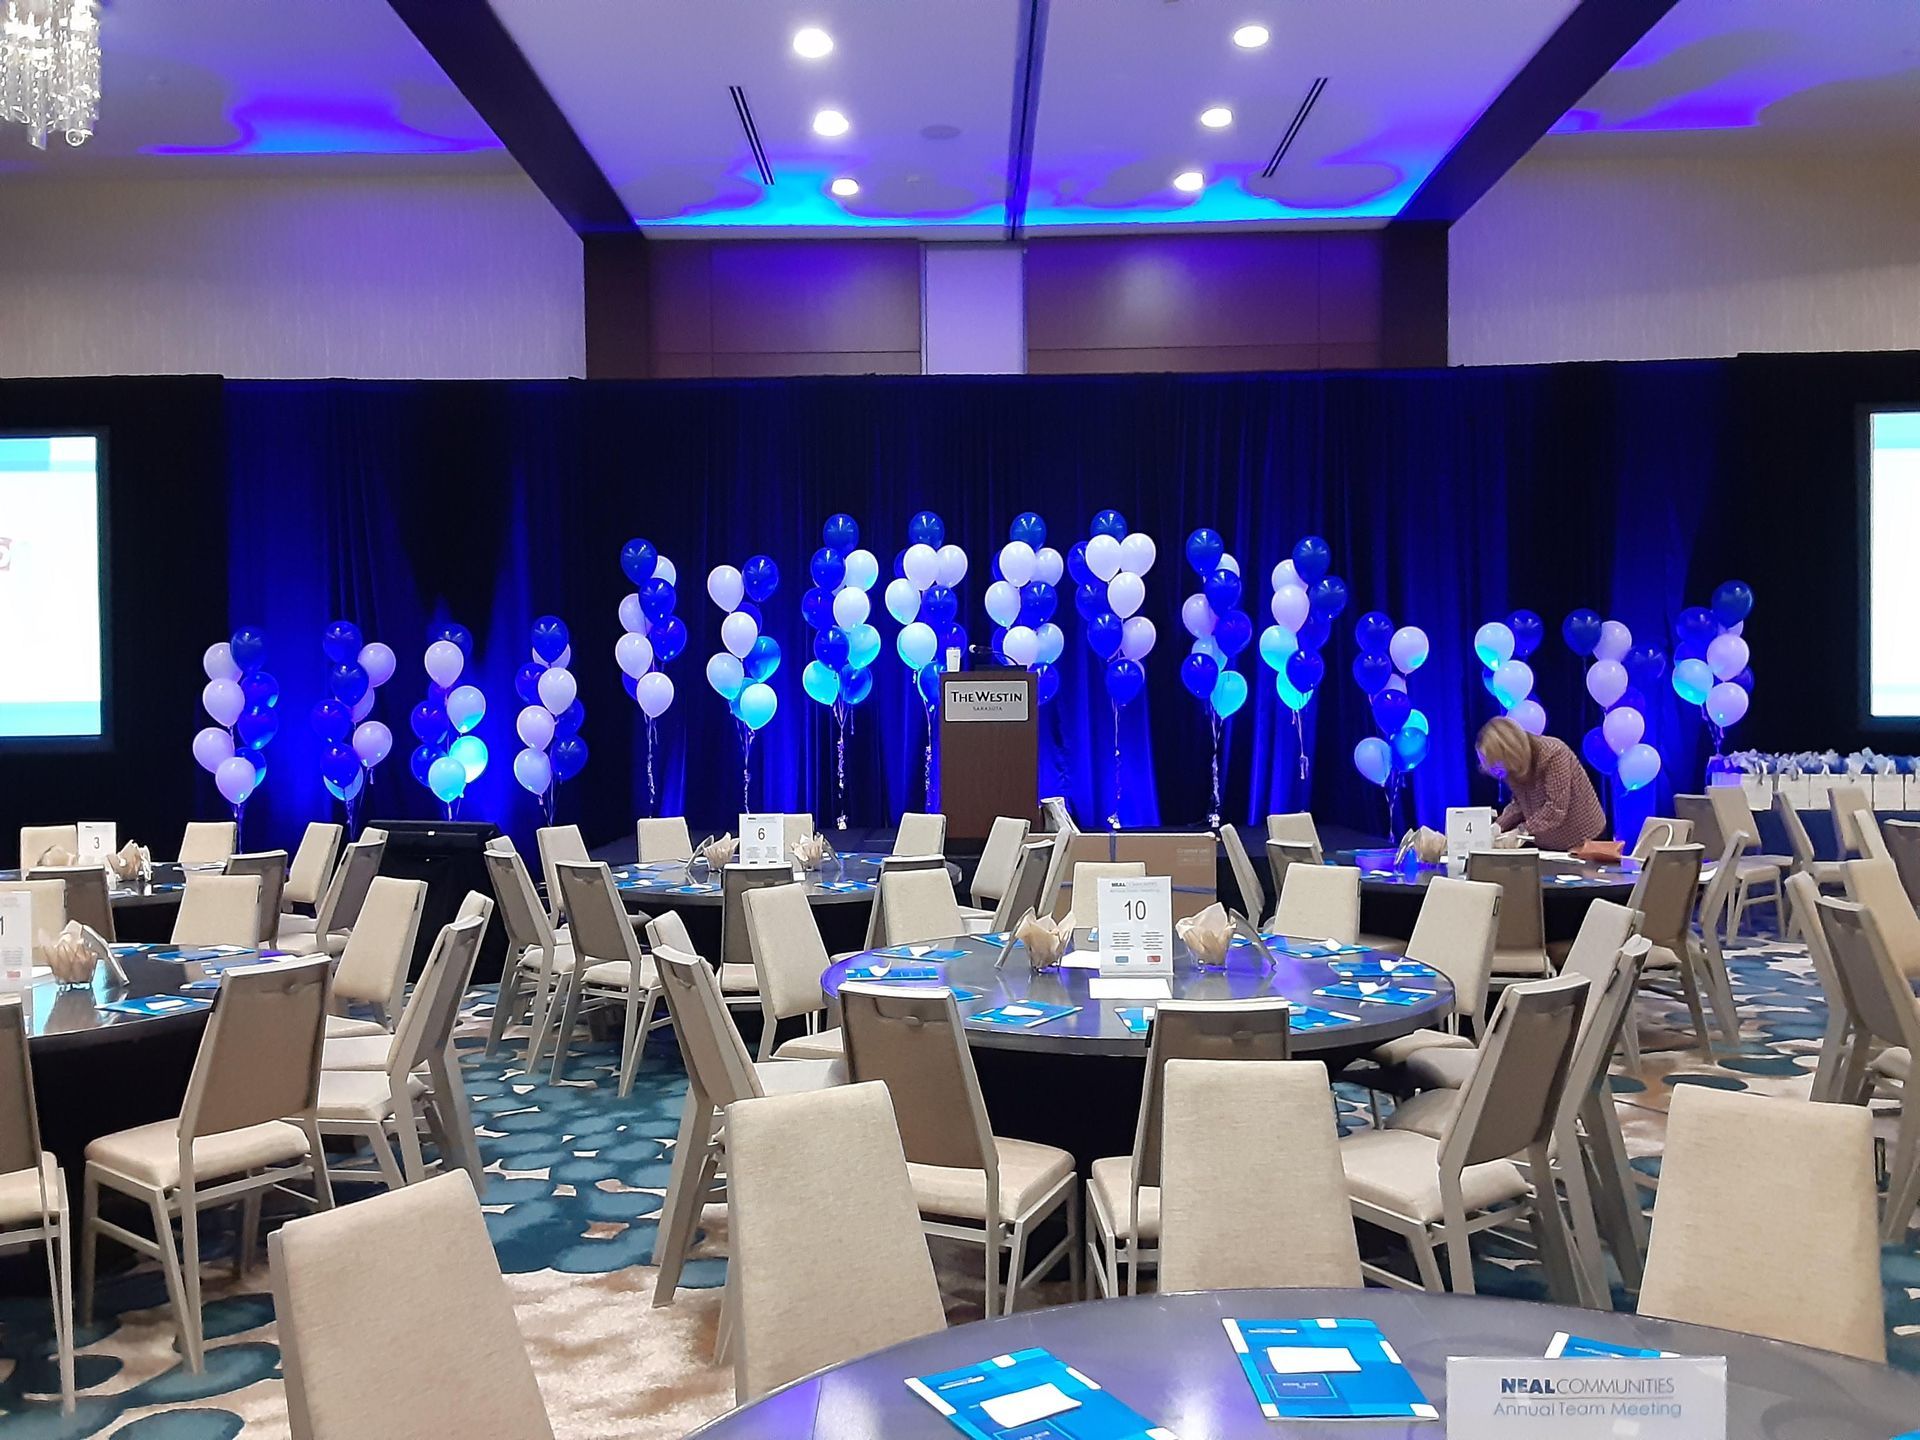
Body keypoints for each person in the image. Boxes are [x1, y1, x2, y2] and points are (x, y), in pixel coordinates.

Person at [1475, 716, 1607, 851]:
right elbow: (1520, 803)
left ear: (1509, 752)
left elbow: (1556, 808)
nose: (1495, 772)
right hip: (1549, 845)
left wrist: (1521, 831)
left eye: (1495, 763)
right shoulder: (1512, 768)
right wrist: (1498, 826)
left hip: (1585, 840)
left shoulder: (1553, 753)